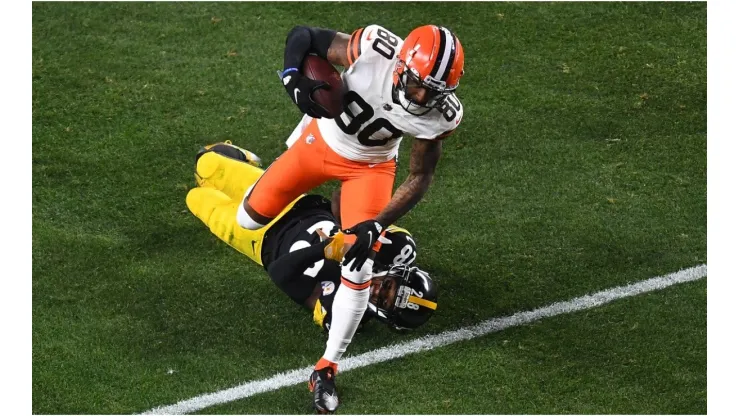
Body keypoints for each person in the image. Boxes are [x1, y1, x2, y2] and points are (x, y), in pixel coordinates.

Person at [236, 24, 464, 413]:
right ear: (401, 65)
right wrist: (293, 75)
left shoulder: (441, 117)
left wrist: (378, 223)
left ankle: (325, 368)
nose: (422, 95)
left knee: (360, 264)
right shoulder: (375, 48)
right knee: (247, 220)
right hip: (321, 141)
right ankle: (242, 163)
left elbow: (419, 176)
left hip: (370, 169)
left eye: (433, 91)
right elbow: (302, 36)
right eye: (417, 83)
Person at [185, 142, 438, 334]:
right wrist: (346, 232)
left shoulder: (344, 313)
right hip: (295, 204)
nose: (376, 290)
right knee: (206, 163)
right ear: (397, 272)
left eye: (383, 301)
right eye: (389, 287)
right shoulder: (396, 249)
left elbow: (279, 273)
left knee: (196, 198)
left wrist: (324, 251)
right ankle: (246, 162)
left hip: (261, 241)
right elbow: (341, 196)